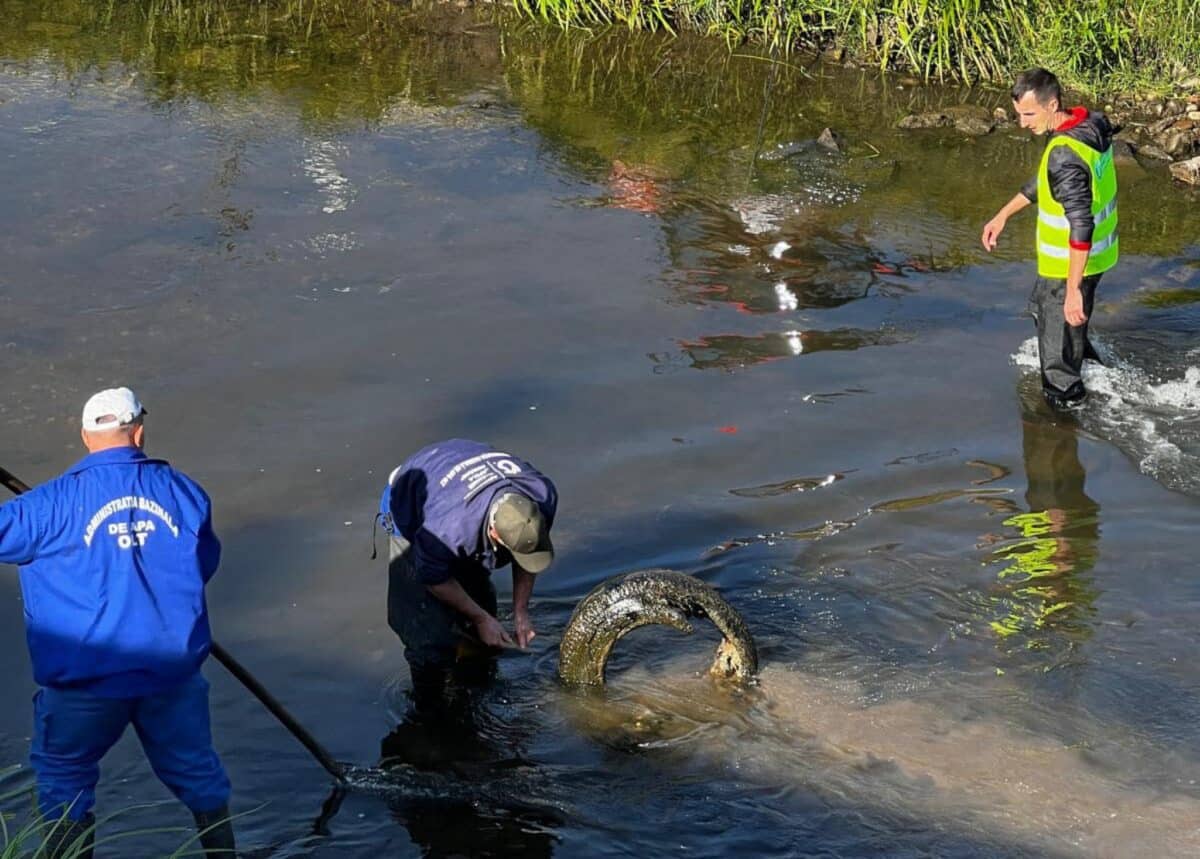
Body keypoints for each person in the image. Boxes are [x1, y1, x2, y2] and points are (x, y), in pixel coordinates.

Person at [0, 388, 234, 857]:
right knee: (199, 775)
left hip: (83, 686)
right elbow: (202, 564)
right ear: (139, 432)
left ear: (86, 436)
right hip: (171, 677)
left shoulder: (43, 508)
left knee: (63, 783)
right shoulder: (186, 495)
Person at [379, 439, 557, 719]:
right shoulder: (446, 532)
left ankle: (473, 680)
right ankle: (429, 715)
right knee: (427, 635)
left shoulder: (541, 495)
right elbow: (434, 580)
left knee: (481, 616)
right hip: (411, 506)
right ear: (495, 536)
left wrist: (521, 611)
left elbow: (529, 550)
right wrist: (480, 618)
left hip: (460, 489)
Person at [981, 67, 1119, 408]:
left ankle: (1063, 421)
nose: (1023, 123)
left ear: (1052, 104)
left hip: (1069, 264)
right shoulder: (1090, 125)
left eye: (1029, 114)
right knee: (1046, 308)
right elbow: (1048, 180)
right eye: (1018, 114)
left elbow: (1081, 224)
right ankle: (1083, 356)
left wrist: (1072, 289)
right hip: (1097, 257)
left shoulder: (1064, 153)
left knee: (1056, 368)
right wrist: (1003, 214)